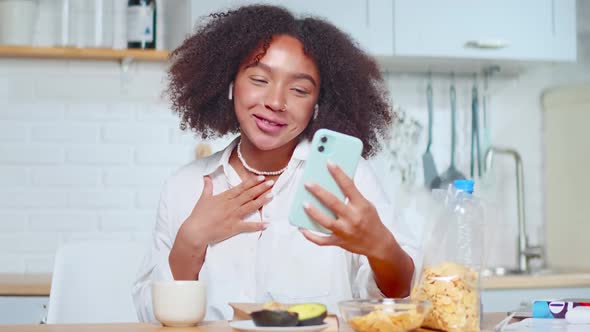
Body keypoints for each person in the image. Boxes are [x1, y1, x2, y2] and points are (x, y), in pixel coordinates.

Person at [132, 4, 419, 321]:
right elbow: (150, 316)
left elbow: (401, 295)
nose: (276, 102)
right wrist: (191, 240)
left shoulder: (347, 179)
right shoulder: (184, 187)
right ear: (229, 83)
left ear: (318, 103)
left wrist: (380, 246)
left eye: (299, 89)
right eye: (259, 79)